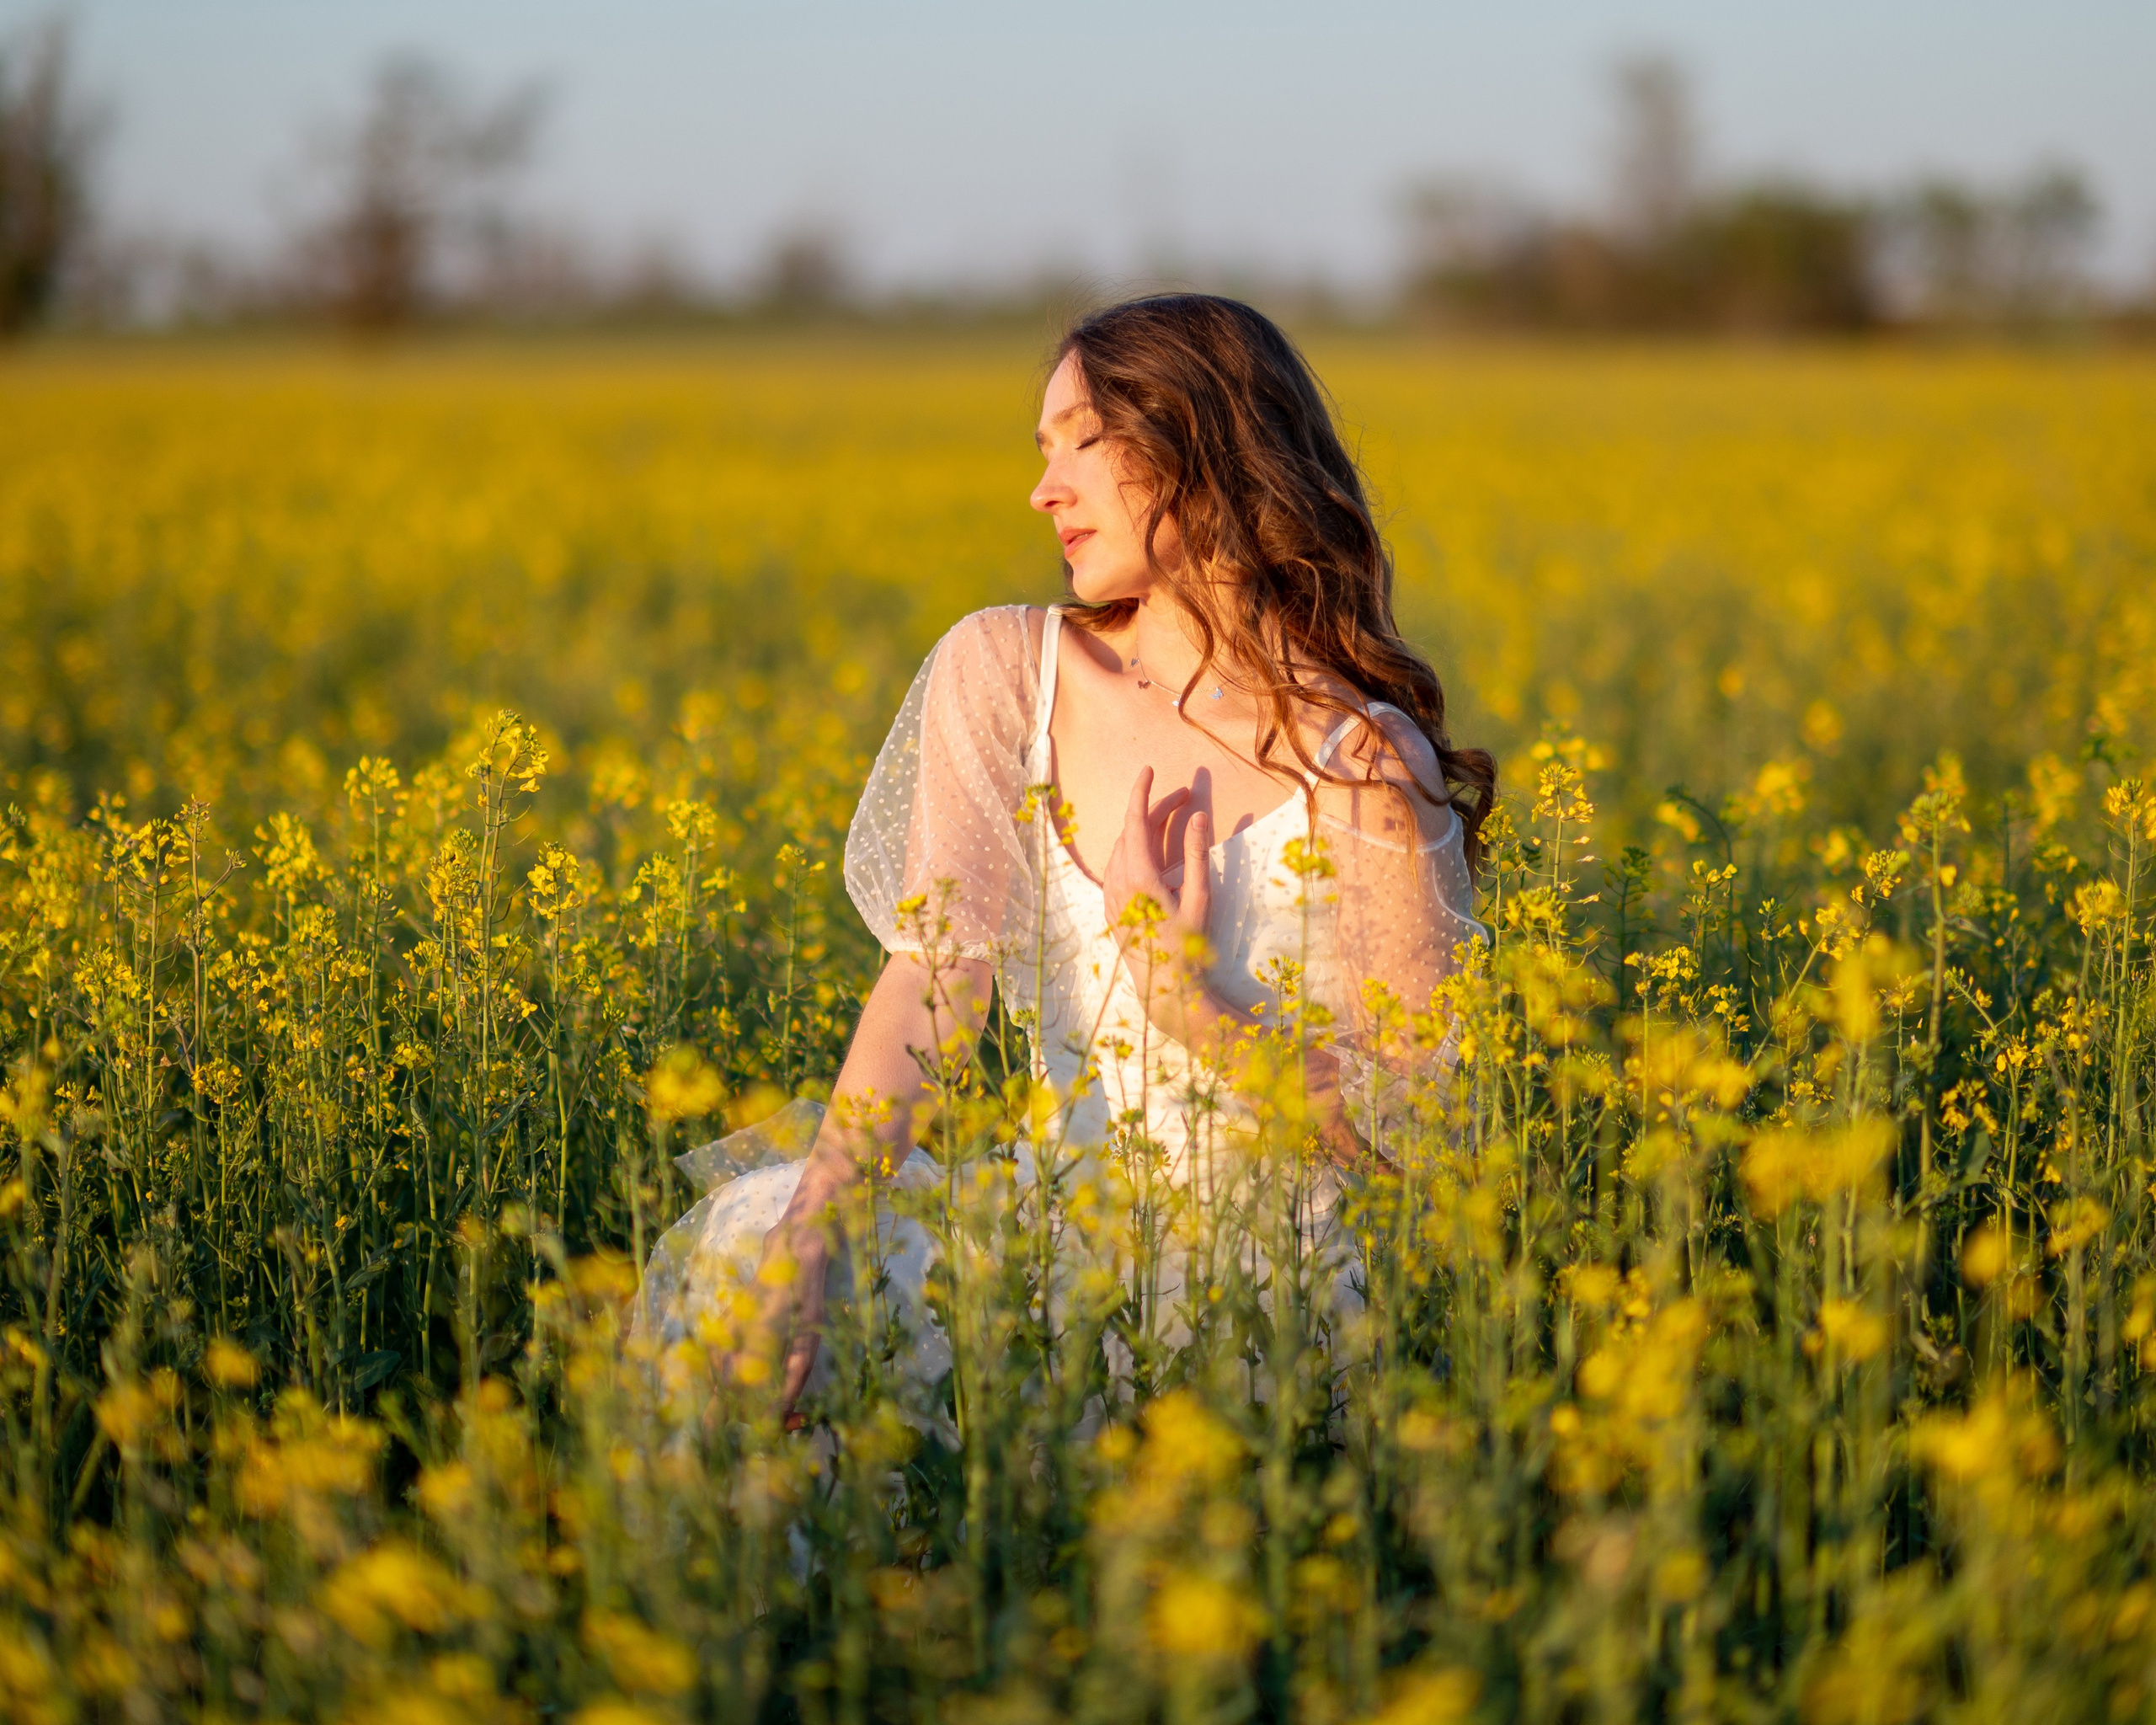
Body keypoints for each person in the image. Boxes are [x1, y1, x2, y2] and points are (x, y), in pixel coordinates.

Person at [664, 294, 1493, 1422]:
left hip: (1281, 1291)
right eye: (1042, 451)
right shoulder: (1008, 670)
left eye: (1083, 446)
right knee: (757, 1264)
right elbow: (931, 981)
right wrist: (814, 1233)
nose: (1043, 490)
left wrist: (1187, 1001)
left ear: (1202, 453)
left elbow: (1415, 1138)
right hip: (1056, 1230)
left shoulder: (1364, 766)